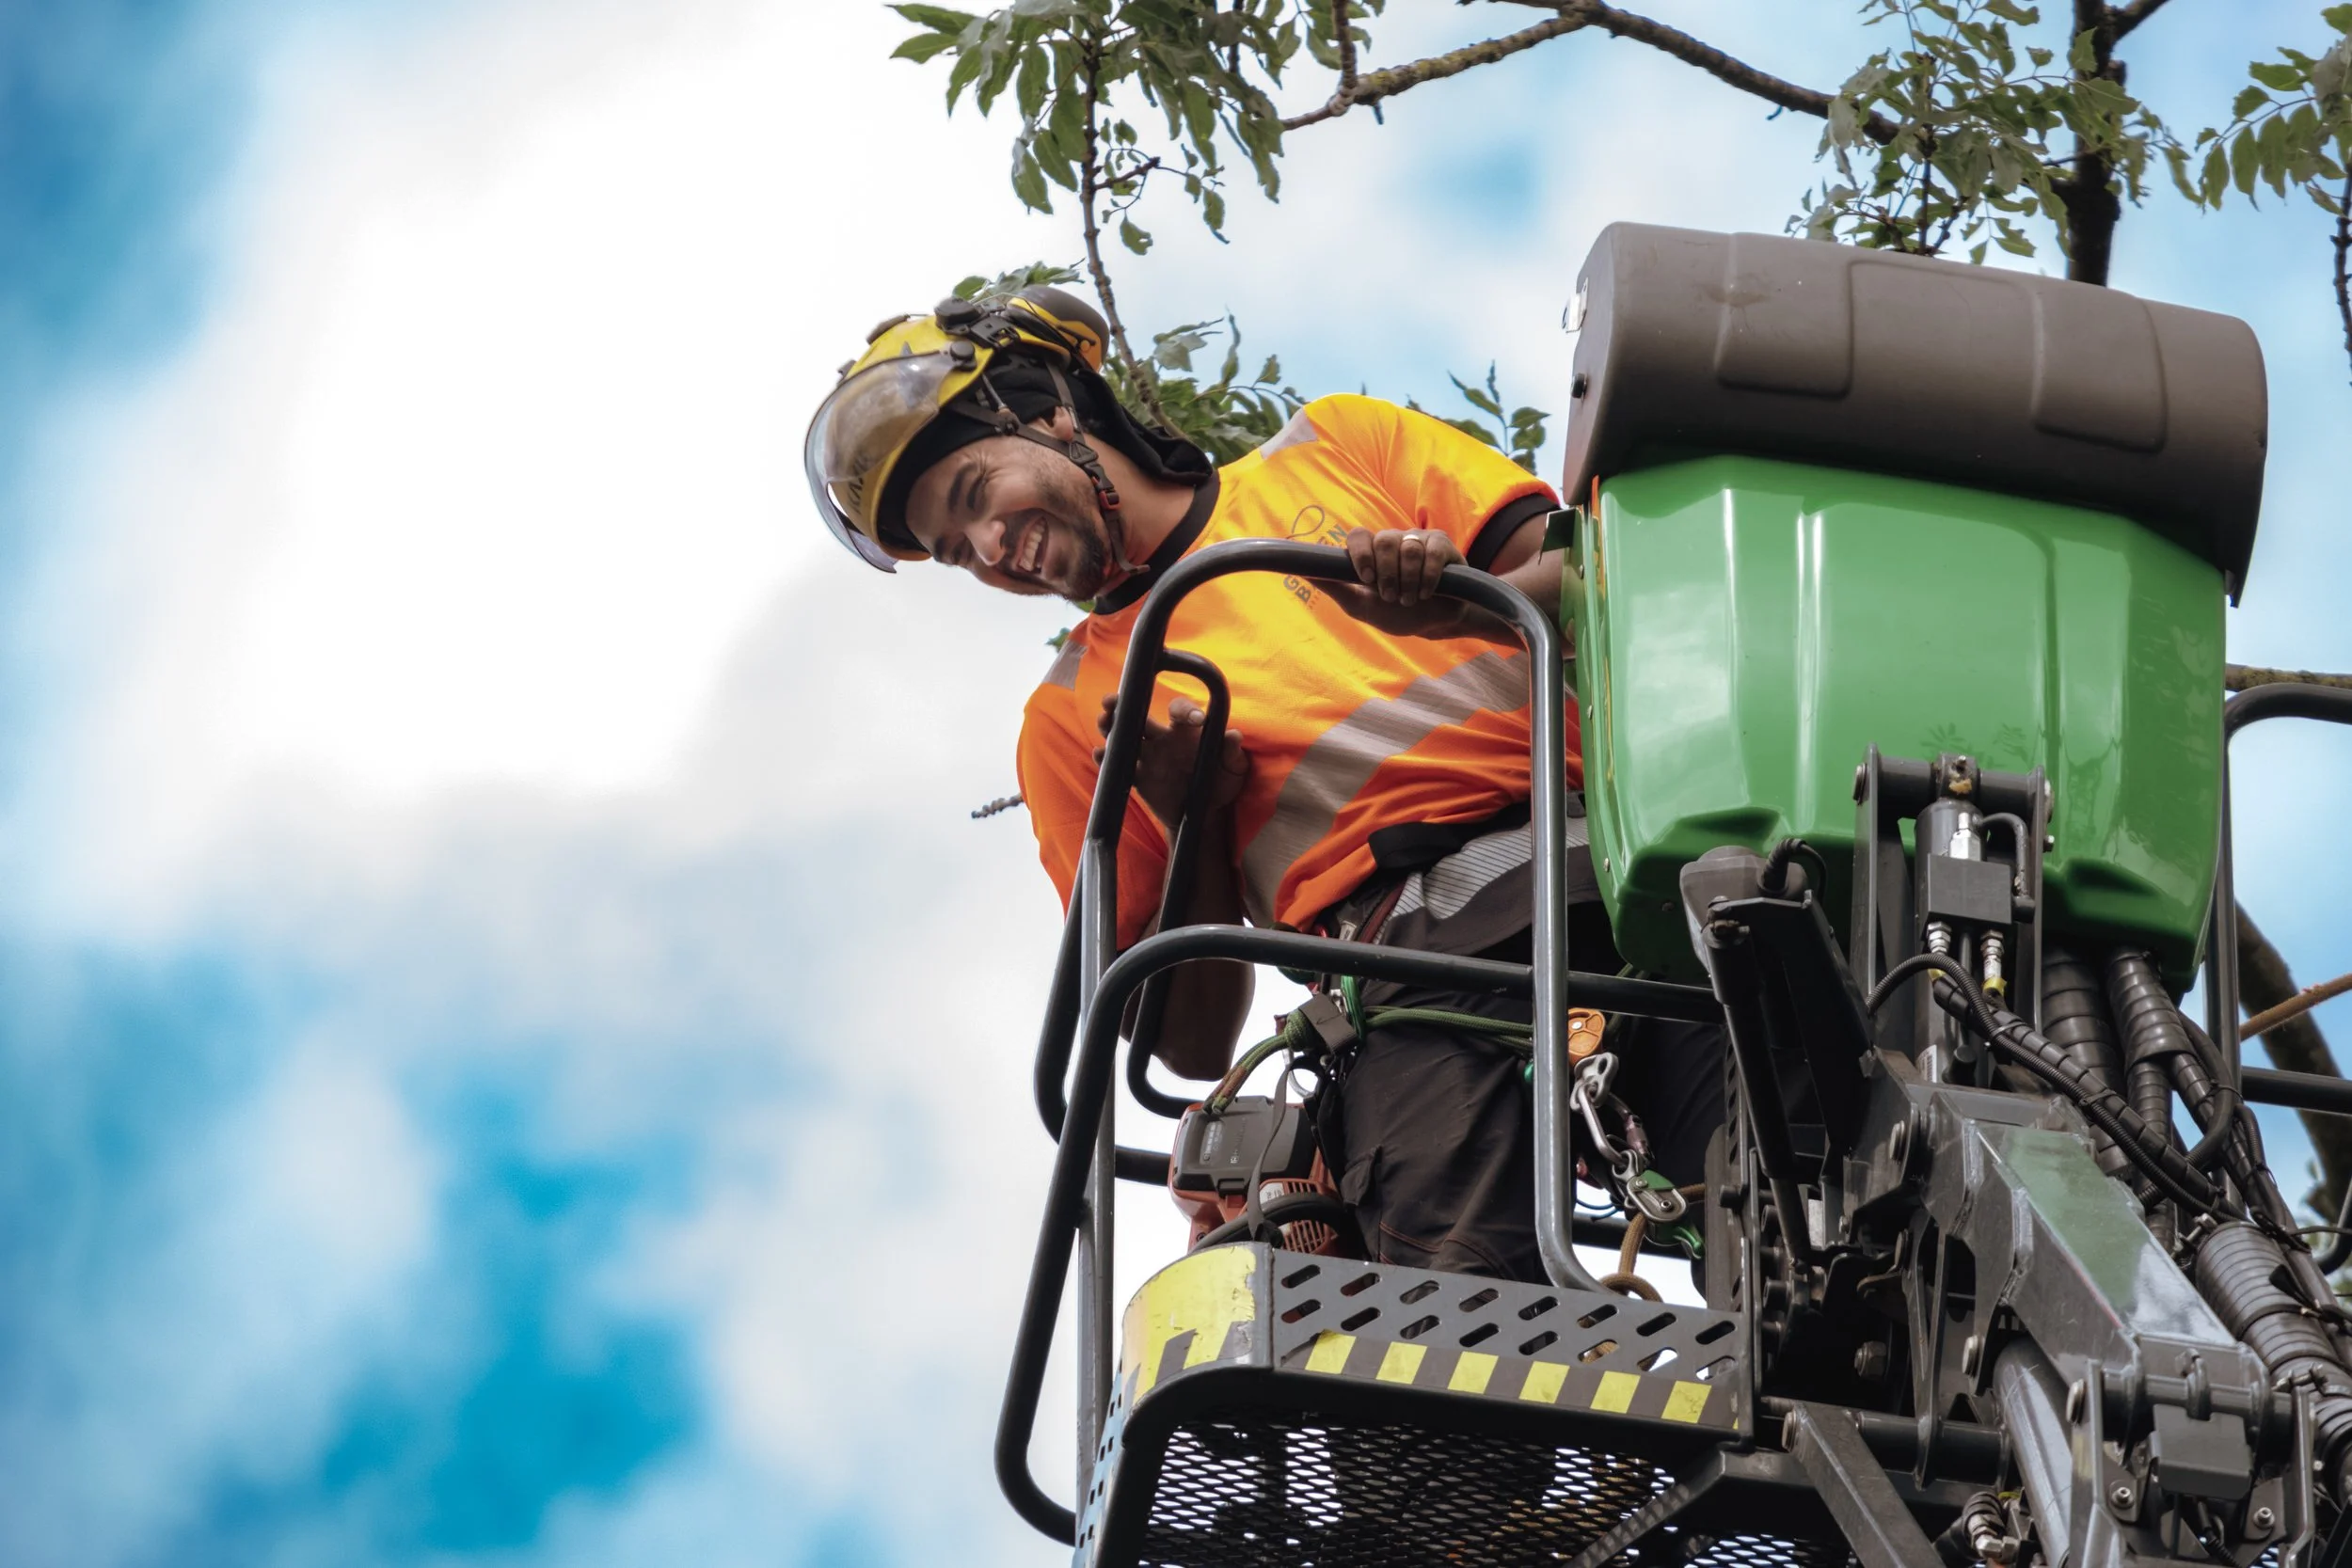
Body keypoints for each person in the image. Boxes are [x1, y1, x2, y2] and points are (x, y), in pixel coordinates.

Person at [804, 286, 1723, 1283]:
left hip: (1622, 883)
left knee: (1788, 1185)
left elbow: (1605, 574)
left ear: (1052, 413)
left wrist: (1456, 600)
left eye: (976, 492)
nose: (988, 548)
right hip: (1406, 984)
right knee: (1450, 1320)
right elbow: (1189, 1040)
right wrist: (1193, 813)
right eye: (956, 551)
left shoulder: (1337, 447)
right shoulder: (1072, 716)